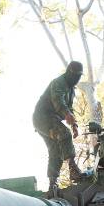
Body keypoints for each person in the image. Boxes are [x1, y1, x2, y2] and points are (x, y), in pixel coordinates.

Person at [33, 61, 87, 192]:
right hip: (43, 118)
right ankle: (73, 169)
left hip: (51, 119)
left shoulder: (71, 90)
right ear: (69, 73)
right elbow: (58, 100)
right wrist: (67, 114)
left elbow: (69, 107)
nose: (77, 79)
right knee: (64, 134)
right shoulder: (59, 82)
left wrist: (74, 124)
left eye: (80, 76)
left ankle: (53, 183)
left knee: (55, 151)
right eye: (76, 76)